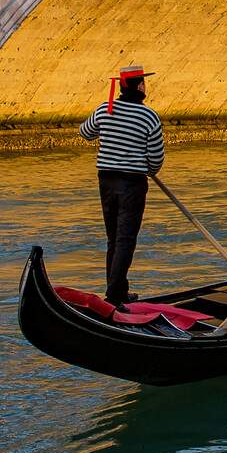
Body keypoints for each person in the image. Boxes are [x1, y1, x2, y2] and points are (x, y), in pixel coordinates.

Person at [78, 65, 165, 305]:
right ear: (139, 86)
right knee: (125, 238)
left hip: (106, 179)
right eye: (144, 83)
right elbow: (156, 158)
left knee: (113, 237)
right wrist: (146, 169)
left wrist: (106, 128)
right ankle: (115, 293)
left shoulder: (105, 109)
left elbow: (85, 132)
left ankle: (116, 289)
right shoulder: (148, 116)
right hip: (132, 183)